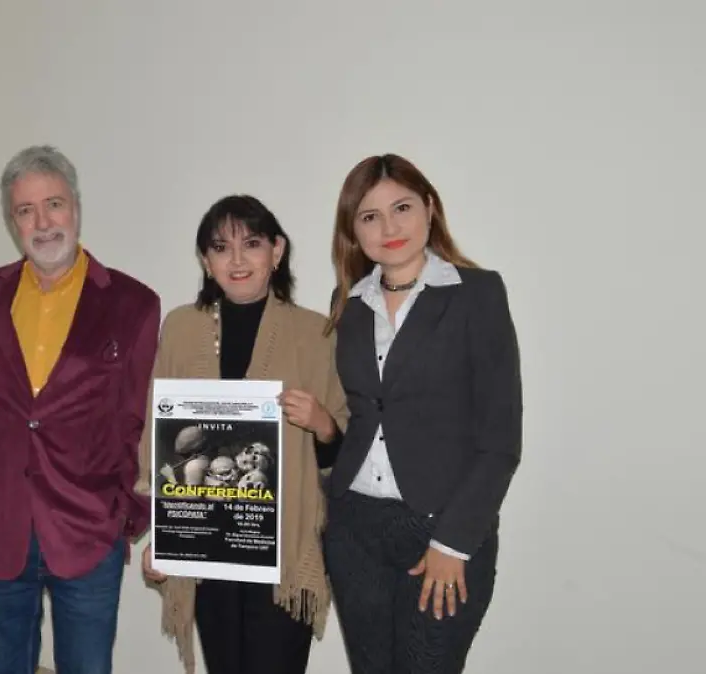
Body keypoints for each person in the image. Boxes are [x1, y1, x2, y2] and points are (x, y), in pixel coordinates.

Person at [0, 145, 161, 674]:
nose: (42, 223)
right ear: (12, 222)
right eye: (26, 210)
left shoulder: (133, 303)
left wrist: (127, 514)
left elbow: (139, 416)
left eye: (54, 204)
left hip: (88, 529)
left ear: (76, 208)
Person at [323, 154, 523, 674]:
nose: (389, 228)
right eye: (370, 216)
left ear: (429, 208)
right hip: (355, 529)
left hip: (441, 526)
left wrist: (452, 542)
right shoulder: (348, 303)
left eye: (402, 208)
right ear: (353, 230)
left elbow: (500, 440)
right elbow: (364, 417)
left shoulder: (477, 294)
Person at [138, 195, 350, 674]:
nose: (236, 260)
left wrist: (321, 422)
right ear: (205, 261)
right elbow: (161, 440)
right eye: (221, 247)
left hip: (282, 551)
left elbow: (341, 455)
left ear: (277, 251)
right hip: (207, 548)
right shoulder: (181, 327)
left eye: (251, 244)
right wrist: (166, 535)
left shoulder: (315, 334)